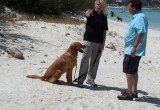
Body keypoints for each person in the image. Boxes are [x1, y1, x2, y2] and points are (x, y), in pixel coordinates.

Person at [117, 0, 148, 100]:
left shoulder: (140, 17)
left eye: (129, 6)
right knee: (133, 71)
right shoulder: (138, 16)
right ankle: (133, 91)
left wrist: (134, 47)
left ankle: (129, 93)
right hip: (132, 48)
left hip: (133, 49)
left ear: (134, 8)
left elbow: (141, 32)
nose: (128, 8)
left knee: (129, 71)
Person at [77, 0, 108, 88]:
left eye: (101, 5)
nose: (99, 6)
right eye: (98, 4)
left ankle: (91, 79)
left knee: (95, 61)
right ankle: (80, 80)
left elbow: (104, 32)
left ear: (103, 6)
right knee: (85, 59)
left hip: (98, 42)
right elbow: (87, 14)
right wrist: (88, 11)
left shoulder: (104, 17)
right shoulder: (91, 13)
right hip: (88, 40)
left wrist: (103, 43)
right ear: (95, 4)